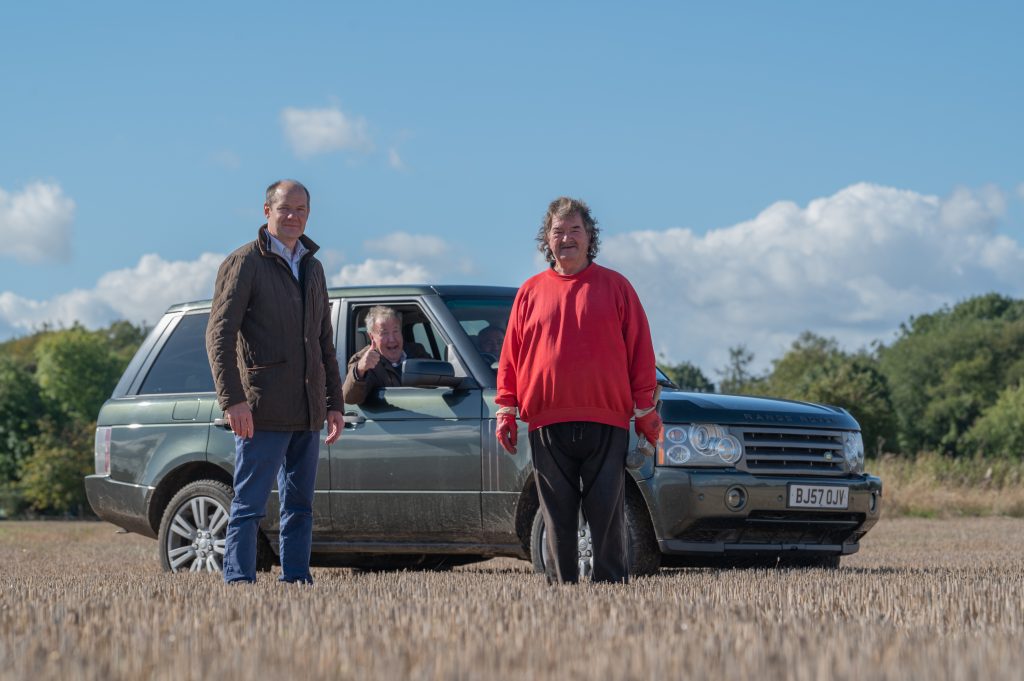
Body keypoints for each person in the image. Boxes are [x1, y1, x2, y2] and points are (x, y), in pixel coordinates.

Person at [495, 196, 663, 584]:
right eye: (558, 231)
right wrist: (505, 408)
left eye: (575, 230)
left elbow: (641, 353)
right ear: (547, 240)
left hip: (606, 420)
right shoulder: (529, 292)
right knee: (557, 515)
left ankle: (609, 591)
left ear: (590, 238)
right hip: (547, 422)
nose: (566, 238)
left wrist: (645, 413)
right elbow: (511, 356)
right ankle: (562, 591)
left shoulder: (617, 287)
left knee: (607, 513)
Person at [206, 179, 345, 584]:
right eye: (285, 208)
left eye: (301, 209)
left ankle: (297, 580)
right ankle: (239, 581)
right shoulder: (245, 261)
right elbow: (219, 335)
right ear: (266, 211)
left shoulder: (313, 267)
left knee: (300, 506)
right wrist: (233, 399)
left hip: (307, 410)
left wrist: (334, 402)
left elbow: (323, 341)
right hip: (260, 408)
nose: (293, 216)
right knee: (249, 505)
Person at [342, 305, 427, 405]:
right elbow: (350, 399)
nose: (392, 339)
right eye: (384, 333)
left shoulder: (417, 352)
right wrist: (360, 370)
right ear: (371, 336)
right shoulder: (364, 361)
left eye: (396, 331)